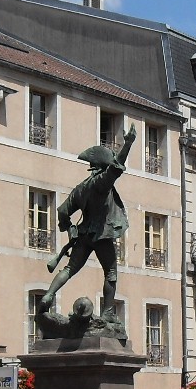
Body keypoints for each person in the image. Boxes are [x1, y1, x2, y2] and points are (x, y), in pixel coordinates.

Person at [39, 127, 136, 317]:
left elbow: (62, 212)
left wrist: (70, 229)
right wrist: (128, 144)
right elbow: (117, 167)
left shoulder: (80, 189)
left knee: (69, 269)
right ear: (102, 166)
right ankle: (107, 313)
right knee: (111, 273)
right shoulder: (101, 183)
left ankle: (49, 294)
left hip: (83, 236)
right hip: (101, 235)